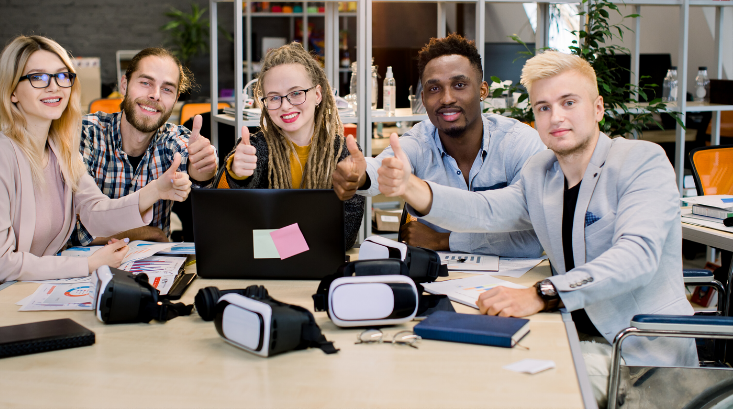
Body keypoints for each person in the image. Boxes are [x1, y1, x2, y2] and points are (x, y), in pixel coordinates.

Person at [374, 50, 697, 406]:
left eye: (568, 102)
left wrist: (542, 292)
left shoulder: (641, 161)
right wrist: (411, 187)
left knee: (502, 389)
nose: (556, 117)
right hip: (568, 334)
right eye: (543, 107)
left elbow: (636, 257)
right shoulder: (542, 172)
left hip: (640, 357)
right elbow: (487, 212)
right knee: (455, 366)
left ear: (598, 108)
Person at [0, 36, 192, 313]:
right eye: (38, 77)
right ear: (12, 91)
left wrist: (156, 190)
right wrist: (89, 262)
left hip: (30, 293)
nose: (54, 87)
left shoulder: (61, 150)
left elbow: (95, 213)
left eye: (63, 76)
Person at [332, 34, 544, 257]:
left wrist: (443, 240)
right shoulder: (419, 141)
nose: (447, 98)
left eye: (459, 85)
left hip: (512, 285)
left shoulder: (519, 142)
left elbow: (532, 240)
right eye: (435, 89)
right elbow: (384, 166)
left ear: (482, 91)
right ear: (423, 99)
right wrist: (361, 175)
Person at [220, 42, 364, 250]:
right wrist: (237, 174)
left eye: (296, 93)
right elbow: (238, 231)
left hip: (323, 270)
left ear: (317, 94)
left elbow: (344, 236)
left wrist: (273, 241)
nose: (286, 105)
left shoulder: (343, 152)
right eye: (274, 97)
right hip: (265, 272)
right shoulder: (253, 148)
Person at [72, 48, 217, 246]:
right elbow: (79, 233)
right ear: (124, 85)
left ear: (175, 99)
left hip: (152, 268)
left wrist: (203, 166)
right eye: (145, 83)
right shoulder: (87, 133)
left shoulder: (173, 139)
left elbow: (197, 168)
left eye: (167, 89)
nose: (155, 95)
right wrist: (151, 233)